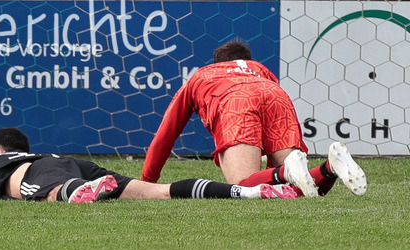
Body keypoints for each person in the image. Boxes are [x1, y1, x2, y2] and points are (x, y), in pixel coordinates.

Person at [141, 40, 367, 198]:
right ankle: (330, 167)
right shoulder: (261, 69)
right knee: (292, 186)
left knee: (242, 187)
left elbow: (166, 133)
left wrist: (147, 182)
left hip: (236, 100)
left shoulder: (202, 75)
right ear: (247, 61)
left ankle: (286, 171)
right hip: (276, 96)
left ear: (216, 63)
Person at [0, 127, 299, 202]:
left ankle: (75, 194)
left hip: (43, 175)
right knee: (158, 192)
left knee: (50, 191)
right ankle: (246, 192)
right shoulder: (50, 153)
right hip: (77, 164)